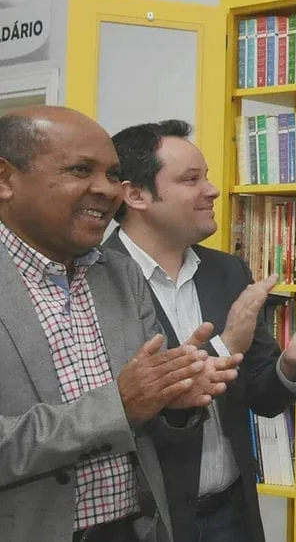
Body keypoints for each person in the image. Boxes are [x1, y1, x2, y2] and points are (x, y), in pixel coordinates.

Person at [105, 119, 296, 542]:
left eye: (207, 176)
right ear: (135, 194)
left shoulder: (227, 270)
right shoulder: (96, 277)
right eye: (190, 179)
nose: (212, 190)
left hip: (232, 512)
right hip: (146, 522)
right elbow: (125, 405)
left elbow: (262, 397)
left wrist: (291, 364)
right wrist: (226, 343)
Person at [0, 106, 238, 542]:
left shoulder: (119, 274)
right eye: (79, 170)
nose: (106, 190)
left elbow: (147, 419)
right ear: (5, 179)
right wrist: (119, 406)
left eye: (112, 174)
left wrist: (174, 399)